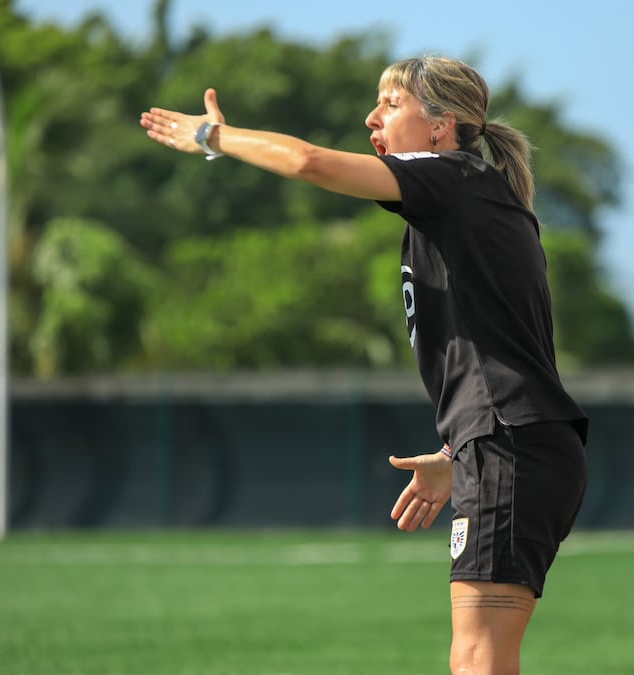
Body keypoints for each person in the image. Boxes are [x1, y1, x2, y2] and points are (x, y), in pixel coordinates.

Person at [140, 55, 588, 675]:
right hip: (505, 444)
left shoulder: (454, 178)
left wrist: (214, 136)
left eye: (391, 103)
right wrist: (458, 452)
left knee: (479, 658)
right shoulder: (463, 198)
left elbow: (308, 162)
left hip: (509, 446)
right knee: (475, 657)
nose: (372, 118)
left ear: (441, 126)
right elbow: (501, 351)